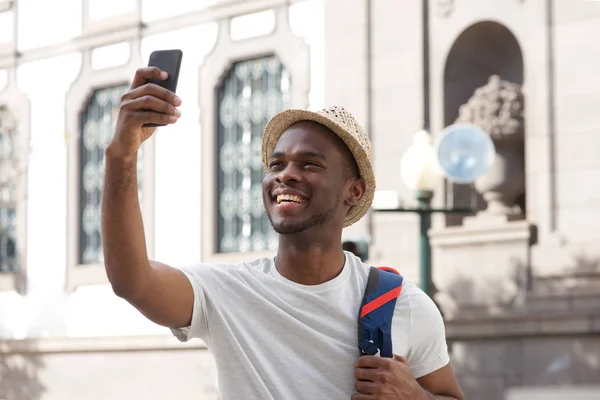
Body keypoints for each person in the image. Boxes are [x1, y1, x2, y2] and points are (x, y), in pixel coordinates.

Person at [102, 66, 465, 400]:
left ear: (352, 191)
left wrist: (416, 397)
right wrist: (122, 155)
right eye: (276, 164)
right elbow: (132, 281)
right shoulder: (227, 291)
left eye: (309, 164)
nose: (285, 175)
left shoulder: (405, 305)